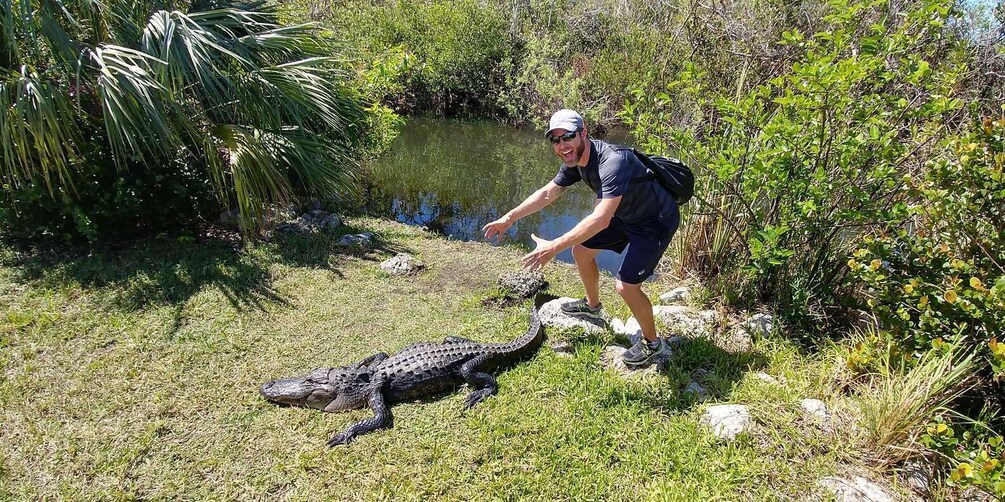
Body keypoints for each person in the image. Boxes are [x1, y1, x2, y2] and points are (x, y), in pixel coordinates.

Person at [482, 109, 680, 368]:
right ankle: (592, 305)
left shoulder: (613, 161)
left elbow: (600, 219)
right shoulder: (576, 162)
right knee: (582, 251)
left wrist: (554, 246)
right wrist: (508, 219)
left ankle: (654, 344)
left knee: (626, 286)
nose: (563, 145)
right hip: (625, 214)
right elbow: (547, 194)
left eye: (568, 137)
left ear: (583, 133)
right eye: (556, 140)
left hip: (655, 221)